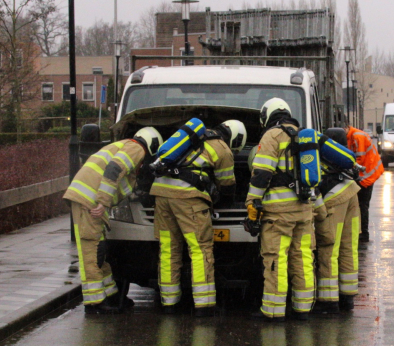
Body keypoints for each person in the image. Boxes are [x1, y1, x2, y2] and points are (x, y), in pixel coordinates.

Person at [150, 119, 245, 317]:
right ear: (235, 139)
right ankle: (204, 305)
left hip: (161, 194)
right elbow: (227, 186)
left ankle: (169, 303)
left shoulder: (192, 138)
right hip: (188, 199)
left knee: (168, 249)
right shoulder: (222, 148)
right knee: (200, 249)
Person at [64, 127, 162, 314]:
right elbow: (114, 169)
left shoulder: (125, 146)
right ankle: (94, 303)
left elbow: (120, 181)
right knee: (92, 254)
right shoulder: (136, 148)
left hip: (88, 200)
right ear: (152, 144)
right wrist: (103, 202)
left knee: (100, 253)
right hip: (90, 202)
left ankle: (113, 297)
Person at [246, 98, 316, 321]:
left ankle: (273, 311)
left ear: (267, 115)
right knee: (303, 258)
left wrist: (251, 203)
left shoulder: (272, 136)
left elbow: (262, 174)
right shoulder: (304, 134)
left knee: (276, 259)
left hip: (279, 212)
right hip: (304, 209)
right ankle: (303, 309)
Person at [313, 127, 361, 314]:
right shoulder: (344, 158)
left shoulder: (323, 155)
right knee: (348, 248)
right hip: (351, 193)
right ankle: (347, 298)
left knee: (329, 248)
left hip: (335, 198)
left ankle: (328, 302)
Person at [346, 125, 384, 242]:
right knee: (362, 205)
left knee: (362, 205)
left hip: (367, 175)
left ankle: (364, 233)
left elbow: (360, 159)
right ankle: (362, 232)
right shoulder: (352, 136)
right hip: (367, 174)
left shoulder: (357, 136)